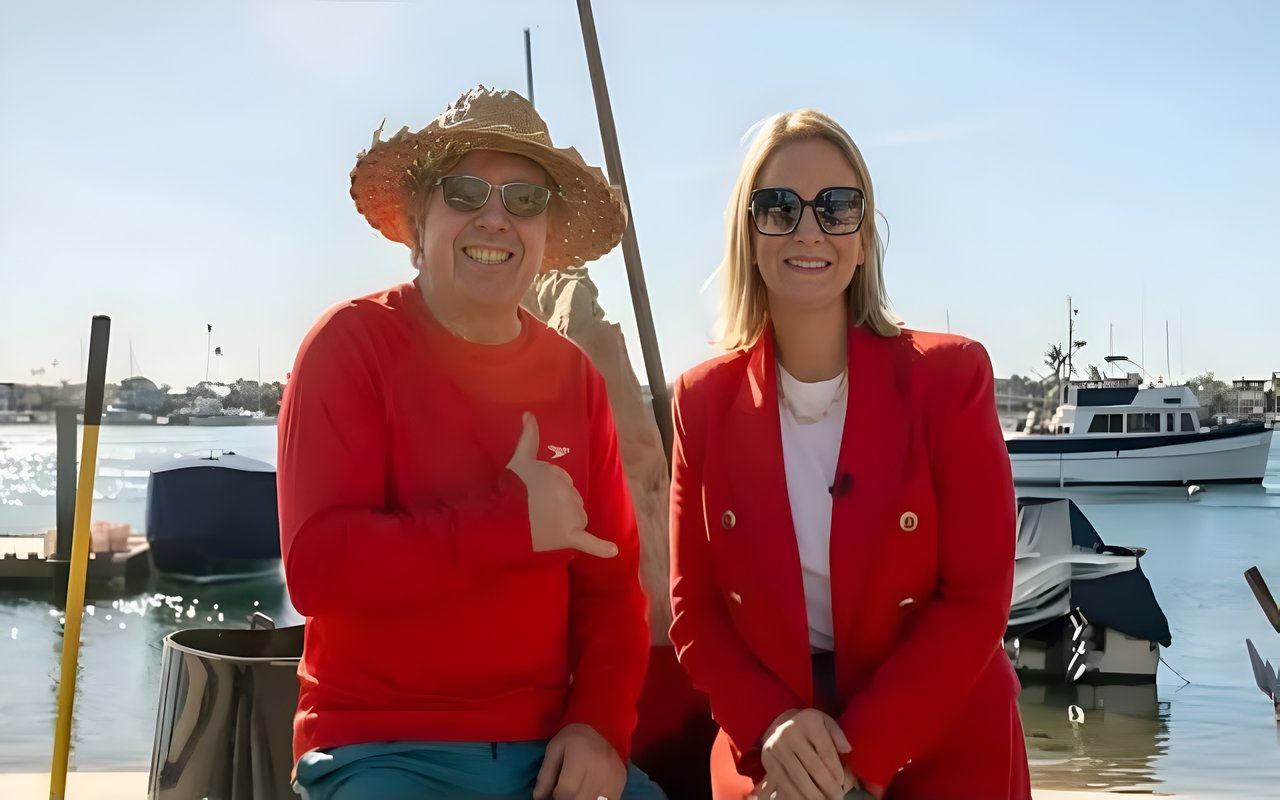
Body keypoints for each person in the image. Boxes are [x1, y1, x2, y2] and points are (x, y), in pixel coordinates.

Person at [277, 85, 663, 800]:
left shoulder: (574, 379)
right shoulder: (349, 347)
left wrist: (600, 729)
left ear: (545, 234)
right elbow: (318, 570)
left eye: (524, 200)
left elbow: (612, 592)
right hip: (379, 751)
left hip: (547, 749)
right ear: (420, 219)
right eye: (466, 192)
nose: (496, 217)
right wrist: (509, 523)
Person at [667, 109, 1030, 800]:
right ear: (748, 235)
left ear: (864, 240)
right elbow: (695, 610)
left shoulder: (950, 378)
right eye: (778, 207)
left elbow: (978, 599)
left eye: (837, 206)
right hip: (776, 750)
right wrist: (769, 725)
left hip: (941, 735)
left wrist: (861, 756)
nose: (809, 229)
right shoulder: (701, 401)